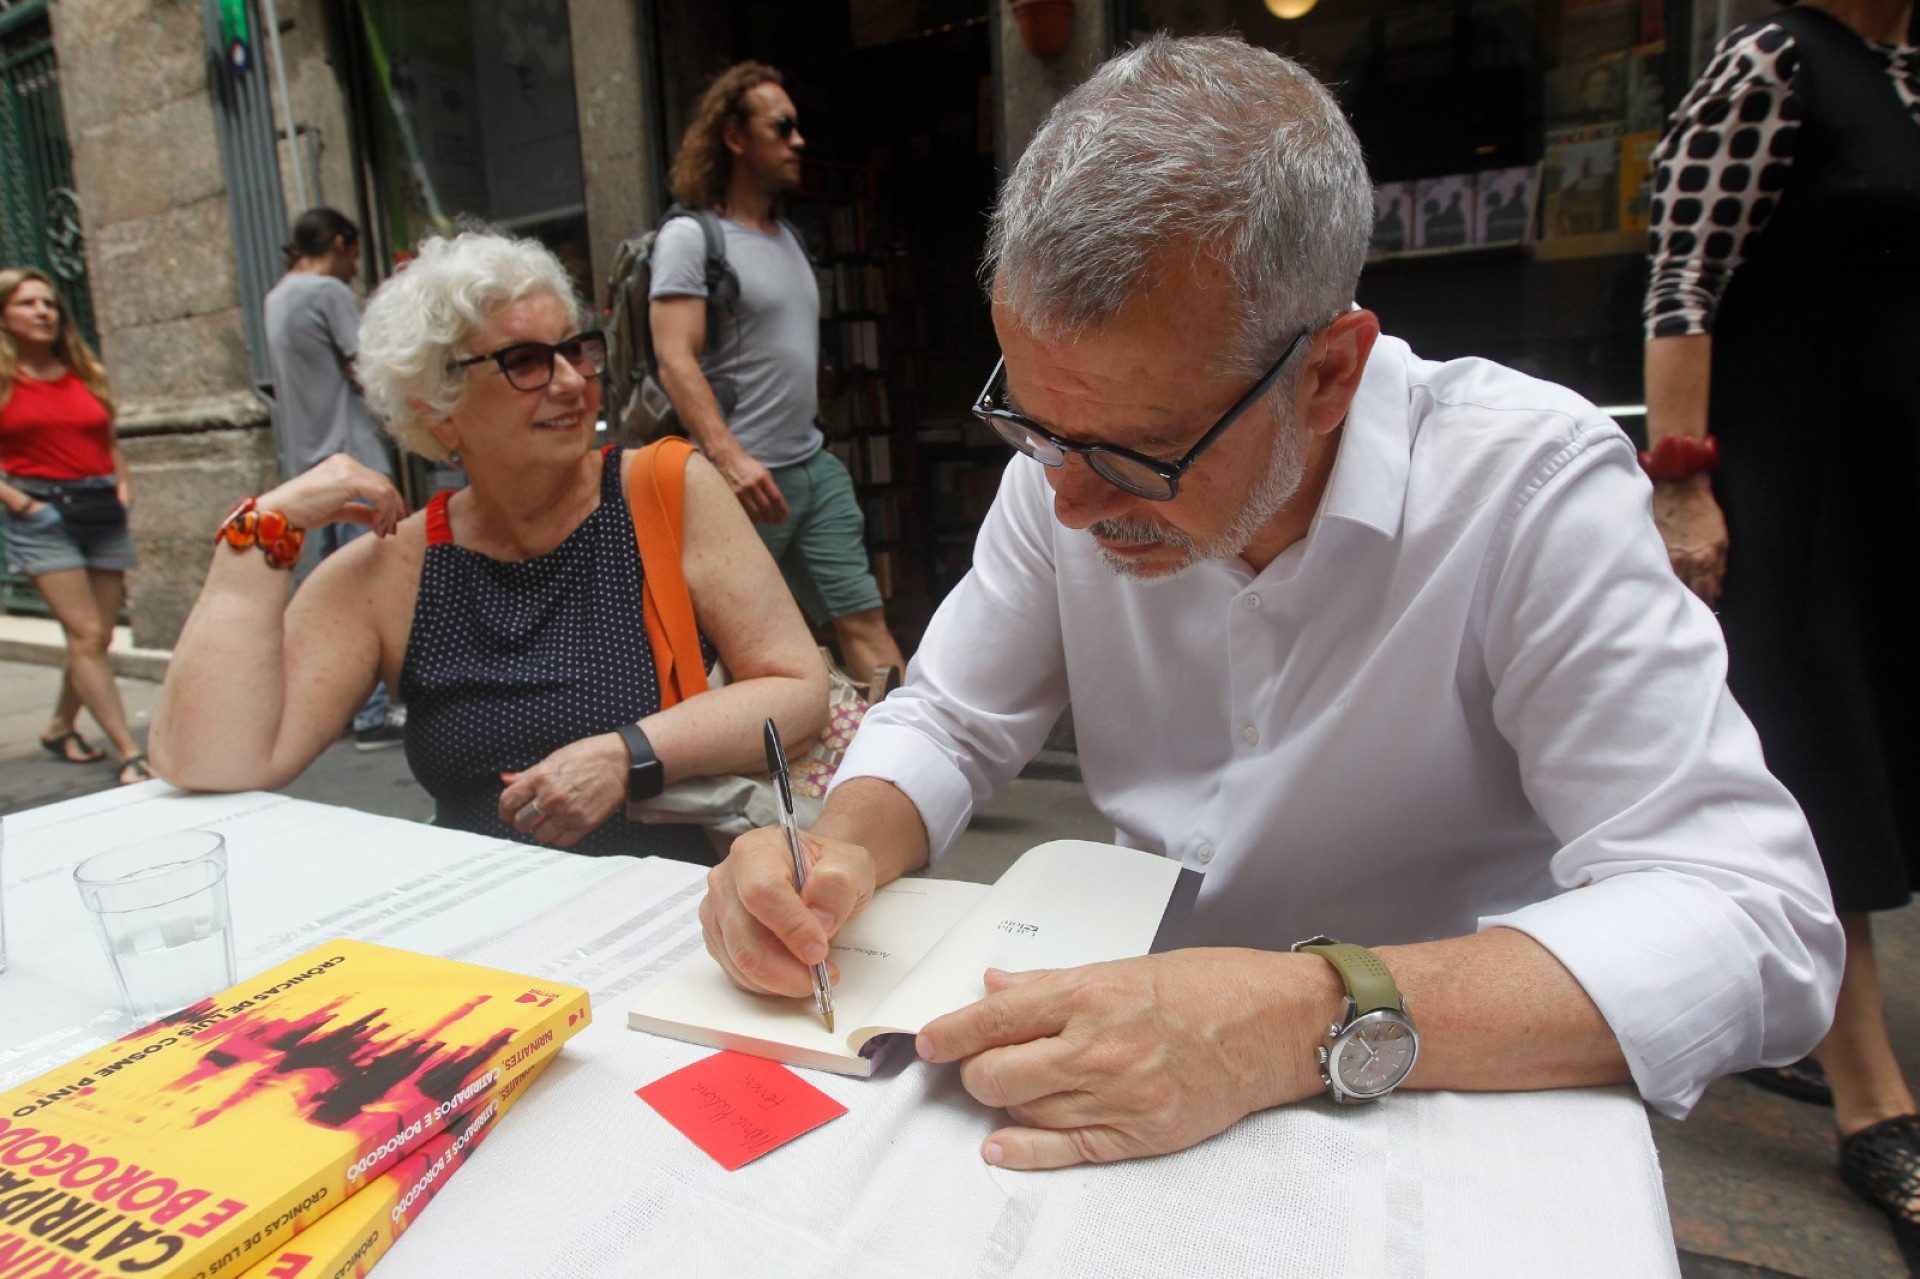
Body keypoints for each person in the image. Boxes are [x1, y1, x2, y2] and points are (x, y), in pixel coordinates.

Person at [700, 35, 1842, 1172]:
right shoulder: (1067, 468)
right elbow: (951, 718)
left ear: (1332, 372)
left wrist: (1290, 1014)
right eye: (1034, 424)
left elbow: (1755, 922)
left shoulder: (1526, 485)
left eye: (1145, 453)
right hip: (1115, 1062)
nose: (1070, 505)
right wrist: (839, 849)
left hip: (1438, 1100)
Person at [151, 230, 827, 862]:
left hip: (670, 914)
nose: (570, 380)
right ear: (435, 405)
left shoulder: (666, 489)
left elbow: (797, 692)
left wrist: (628, 754)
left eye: (574, 349)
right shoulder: (395, 568)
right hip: (483, 939)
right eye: (524, 361)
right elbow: (214, 761)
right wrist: (264, 526)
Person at [1641, 0, 1920, 1258]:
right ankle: (1876, 1105)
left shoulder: (1908, 71)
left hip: (1897, 472)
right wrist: (1683, 479)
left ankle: (1816, 1029)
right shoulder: (1774, 61)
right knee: (1818, 753)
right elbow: (1684, 275)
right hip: (1794, 477)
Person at [650, 62, 906, 691]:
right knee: (737, 656)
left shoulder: (789, 237)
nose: (798, 141)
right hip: (740, 487)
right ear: (735, 137)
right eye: (782, 127)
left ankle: (918, 766)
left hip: (813, 470)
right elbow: (673, 358)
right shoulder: (691, 238)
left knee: (865, 623)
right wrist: (730, 460)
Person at [0, 268, 151, 785]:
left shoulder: (82, 371)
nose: (43, 312)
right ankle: (130, 751)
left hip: (101, 509)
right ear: (3, 315)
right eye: (27, 304)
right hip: (42, 514)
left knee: (98, 637)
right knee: (86, 632)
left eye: (49, 303)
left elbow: (108, 439)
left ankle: (61, 726)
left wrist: (123, 485)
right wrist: (19, 502)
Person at [263, 207, 405, 750]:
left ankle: (334, 705)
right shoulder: (326, 293)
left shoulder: (278, 296)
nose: (354, 266)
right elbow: (367, 367)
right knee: (368, 576)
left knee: (323, 586)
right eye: (354, 253)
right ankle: (371, 714)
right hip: (351, 456)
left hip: (307, 461)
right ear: (342, 242)